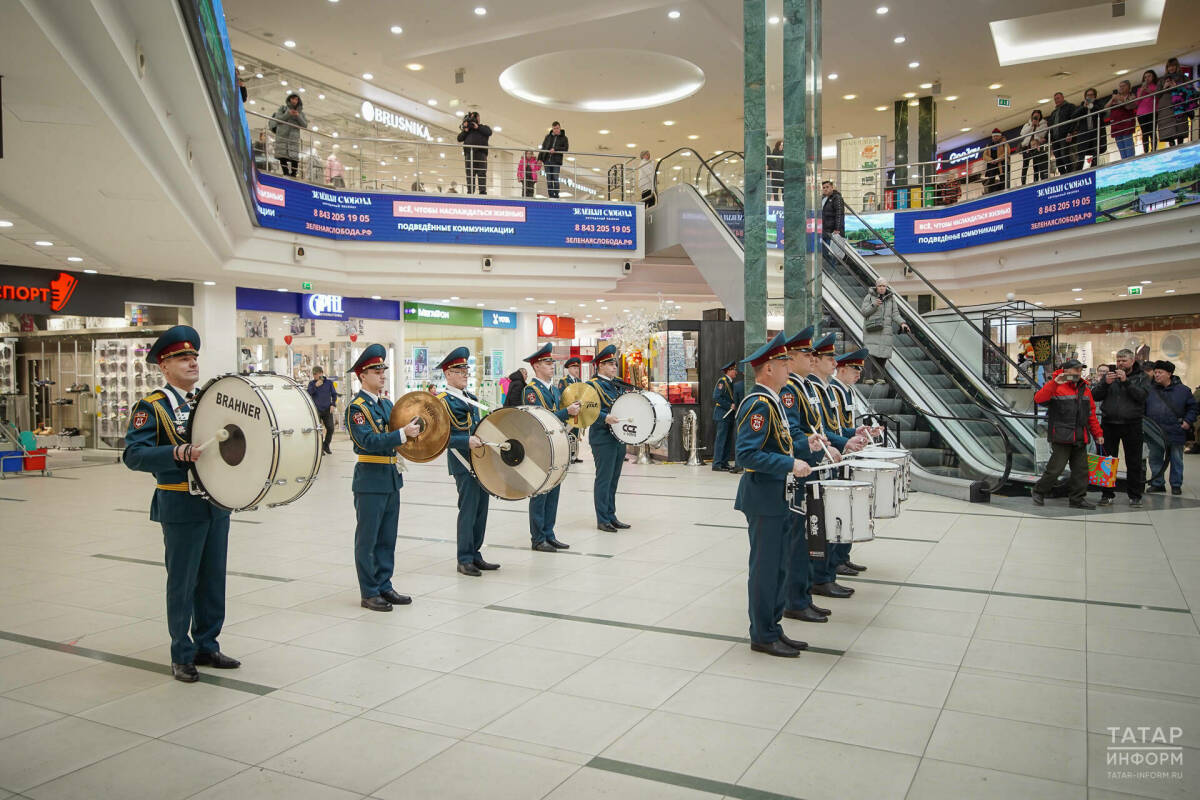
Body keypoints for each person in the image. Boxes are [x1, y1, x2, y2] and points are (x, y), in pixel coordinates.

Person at [122, 325, 239, 683]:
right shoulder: (153, 407)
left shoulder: (209, 402)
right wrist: (175, 452)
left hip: (215, 503)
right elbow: (133, 454)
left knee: (212, 579)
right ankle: (181, 652)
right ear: (164, 366)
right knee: (183, 581)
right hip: (180, 503)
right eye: (182, 358)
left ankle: (207, 644)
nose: (191, 362)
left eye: (193, 357)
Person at [734, 332, 814, 658]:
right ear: (768, 368)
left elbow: (781, 442)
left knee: (779, 566)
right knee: (766, 569)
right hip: (764, 498)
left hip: (778, 496)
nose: (788, 368)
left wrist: (807, 449)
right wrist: (789, 463)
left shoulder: (775, 402)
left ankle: (773, 626)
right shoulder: (758, 404)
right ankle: (762, 634)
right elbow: (746, 455)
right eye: (783, 363)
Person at [345, 345, 419, 611]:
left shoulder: (387, 404)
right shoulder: (357, 408)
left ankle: (384, 585)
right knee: (368, 539)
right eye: (377, 370)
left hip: (390, 477)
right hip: (370, 480)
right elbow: (367, 441)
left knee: (388, 537)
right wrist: (401, 434)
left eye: (383, 370)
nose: (382, 374)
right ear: (362, 375)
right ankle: (369, 591)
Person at [778, 328, 834, 623]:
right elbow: (793, 433)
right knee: (798, 539)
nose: (813, 359)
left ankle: (804, 594)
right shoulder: (789, 390)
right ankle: (795, 599)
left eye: (814, 354)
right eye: (807, 354)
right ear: (791, 357)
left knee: (811, 535)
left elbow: (817, 428)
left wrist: (828, 445)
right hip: (801, 469)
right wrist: (815, 447)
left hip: (813, 465)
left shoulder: (806, 387)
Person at [809, 336, 871, 581]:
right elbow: (816, 429)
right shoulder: (817, 388)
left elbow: (833, 425)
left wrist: (852, 434)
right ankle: (827, 569)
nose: (834, 362)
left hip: (835, 455)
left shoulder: (830, 389)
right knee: (825, 520)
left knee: (837, 513)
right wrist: (843, 441)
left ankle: (836, 562)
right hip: (821, 460)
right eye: (830, 358)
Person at [437, 347, 498, 575]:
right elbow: (437, 438)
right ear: (447, 374)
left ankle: (475, 553)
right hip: (462, 462)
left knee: (482, 509)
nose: (465, 373)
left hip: (481, 461)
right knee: (469, 509)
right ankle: (464, 558)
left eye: (466, 368)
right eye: (459, 369)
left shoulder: (471, 398)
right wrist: (465, 441)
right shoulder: (442, 402)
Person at [523, 344, 581, 552]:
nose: (551, 367)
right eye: (547, 363)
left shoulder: (554, 389)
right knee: (540, 492)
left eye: (552, 363)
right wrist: (567, 412)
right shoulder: (531, 390)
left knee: (554, 490)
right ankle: (538, 538)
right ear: (536, 366)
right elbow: (542, 418)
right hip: (540, 447)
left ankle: (549, 533)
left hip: (556, 445)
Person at [1031, 359, 1104, 509]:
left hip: (1080, 435)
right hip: (1061, 435)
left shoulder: (1085, 388)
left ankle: (1077, 499)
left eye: (1080, 370)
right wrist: (1055, 382)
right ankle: (1039, 490)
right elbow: (1039, 399)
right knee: (1055, 469)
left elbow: (1090, 414)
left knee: (1081, 470)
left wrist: (1098, 433)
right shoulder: (1055, 385)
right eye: (1075, 370)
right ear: (1066, 370)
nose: (1078, 372)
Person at [1091, 349, 1149, 507]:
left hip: (1132, 424)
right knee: (1106, 461)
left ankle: (1135, 496)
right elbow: (1094, 396)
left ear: (1132, 360)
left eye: (1123, 360)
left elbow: (1142, 397)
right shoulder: (1109, 376)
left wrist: (1126, 382)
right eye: (1118, 360)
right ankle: (1106, 494)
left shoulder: (1142, 377)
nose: (1120, 363)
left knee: (1134, 461)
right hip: (1109, 423)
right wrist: (1105, 383)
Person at [589, 345, 630, 532]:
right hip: (603, 436)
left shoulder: (617, 383)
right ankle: (602, 519)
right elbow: (586, 410)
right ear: (600, 366)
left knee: (614, 479)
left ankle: (611, 515)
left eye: (615, 363)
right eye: (610, 364)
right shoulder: (592, 385)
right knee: (604, 479)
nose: (614, 367)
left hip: (618, 436)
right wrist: (604, 417)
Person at [1145, 360, 1197, 496]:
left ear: (1169, 373)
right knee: (1155, 458)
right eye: (1155, 372)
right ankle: (1157, 483)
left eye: (1160, 372)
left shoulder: (1183, 390)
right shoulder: (1150, 390)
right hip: (1154, 431)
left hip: (1176, 430)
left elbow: (1193, 407)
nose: (1156, 375)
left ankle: (1176, 484)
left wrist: (1188, 421)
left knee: (1176, 459)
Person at [859, 277, 907, 382]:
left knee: (883, 353)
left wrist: (902, 323)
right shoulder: (869, 297)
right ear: (876, 286)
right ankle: (868, 377)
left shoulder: (891, 299)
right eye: (880, 286)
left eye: (884, 286)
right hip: (872, 329)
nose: (882, 288)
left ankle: (879, 376)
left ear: (886, 287)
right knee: (870, 353)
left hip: (885, 330)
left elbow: (895, 314)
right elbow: (864, 312)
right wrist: (874, 304)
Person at [711, 360, 740, 472]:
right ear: (729, 370)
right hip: (722, 415)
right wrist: (730, 405)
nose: (736, 372)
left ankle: (724, 462)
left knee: (727, 440)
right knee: (721, 440)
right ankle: (717, 463)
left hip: (729, 416)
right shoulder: (722, 381)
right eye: (734, 370)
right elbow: (716, 397)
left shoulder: (731, 382)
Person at [269, 92, 307, 177]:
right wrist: (288, 113)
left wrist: (298, 116)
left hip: (293, 137)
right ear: (289, 99)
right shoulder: (282, 109)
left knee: (294, 158)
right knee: (282, 155)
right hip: (282, 135)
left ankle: (293, 174)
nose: (294, 101)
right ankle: (285, 173)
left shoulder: (301, 113)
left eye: (296, 99)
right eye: (293, 98)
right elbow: (279, 119)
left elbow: (305, 125)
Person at [1074, 88, 1110, 169]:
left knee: (1093, 158)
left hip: (1095, 136)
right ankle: (1086, 171)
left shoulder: (1098, 104)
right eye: (1088, 95)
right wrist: (1084, 107)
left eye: (1091, 95)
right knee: (1084, 159)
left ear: (1095, 96)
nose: (1089, 97)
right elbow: (1073, 116)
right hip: (1085, 137)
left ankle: (1093, 170)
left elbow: (1103, 113)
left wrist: (1092, 106)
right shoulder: (1082, 106)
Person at [558, 356, 585, 465]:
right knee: (568, 433)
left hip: (578, 411)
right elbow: (562, 396)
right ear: (568, 369)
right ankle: (568, 455)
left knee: (576, 433)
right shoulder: (564, 381)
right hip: (569, 411)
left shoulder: (579, 380)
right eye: (574, 368)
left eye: (577, 368)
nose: (576, 370)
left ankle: (574, 455)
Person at [457, 111, 492, 194]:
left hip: (481, 154)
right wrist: (465, 130)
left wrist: (478, 127)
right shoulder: (467, 130)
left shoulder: (483, 128)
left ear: (478, 118)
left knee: (482, 174)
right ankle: (470, 192)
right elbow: (459, 138)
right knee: (470, 174)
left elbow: (489, 132)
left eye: (474, 117)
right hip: (469, 154)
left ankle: (482, 192)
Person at [307, 366, 339, 456]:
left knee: (331, 428)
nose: (315, 376)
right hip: (316, 410)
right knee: (318, 430)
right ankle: (320, 448)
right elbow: (308, 393)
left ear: (321, 373)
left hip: (327, 409)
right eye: (313, 374)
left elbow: (334, 394)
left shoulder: (329, 383)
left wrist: (333, 404)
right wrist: (315, 386)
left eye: (316, 374)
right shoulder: (311, 383)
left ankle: (326, 445)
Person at [1046, 92, 1079, 174]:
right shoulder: (1054, 113)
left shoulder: (1070, 107)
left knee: (1065, 156)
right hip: (1056, 139)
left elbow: (1074, 120)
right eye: (1055, 99)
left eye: (1058, 98)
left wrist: (1070, 132)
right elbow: (1050, 126)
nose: (1056, 100)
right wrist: (1047, 137)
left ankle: (1070, 173)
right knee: (1058, 158)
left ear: (1063, 98)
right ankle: (1063, 174)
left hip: (1065, 136)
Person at [1106, 81, 1139, 160]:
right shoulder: (1115, 97)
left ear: (1129, 87)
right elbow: (1106, 107)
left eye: (1123, 86)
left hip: (1126, 123)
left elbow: (1129, 106)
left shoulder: (1131, 96)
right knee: (1120, 146)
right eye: (1120, 86)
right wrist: (1113, 99)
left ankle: (1131, 160)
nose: (1121, 88)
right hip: (1116, 125)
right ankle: (1124, 160)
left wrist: (1121, 99)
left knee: (1128, 144)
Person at [539, 121, 569, 199]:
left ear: (560, 128)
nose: (556, 130)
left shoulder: (564, 138)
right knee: (549, 178)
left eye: (557, 128)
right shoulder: (548, 137)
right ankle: (551, 195)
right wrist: (540, 159)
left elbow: (566, 148)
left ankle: (556, 194)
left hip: (556, 161)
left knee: (555, 178)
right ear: (552, 129)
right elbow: (543, 148)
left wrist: (555, 149)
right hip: (547, 160)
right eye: (554, 128)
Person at [1019, 109, 1049, 184]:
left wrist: (1037, 125)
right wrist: (1032, 125)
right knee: (1025, 165)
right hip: (1027, 147)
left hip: (1036, 146)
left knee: (1036, 165)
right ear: (1032, 116)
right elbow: (1022, 134)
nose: (1035, 117)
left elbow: (1043, 134)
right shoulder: (1027, 124)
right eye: (1034, 116)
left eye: (1037, 116)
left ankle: (1036, 180)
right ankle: (1023, 182)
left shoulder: (1043, 124)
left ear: (1040, 116)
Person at [1135, 71, 1159, 154]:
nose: (1147, 78)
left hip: (1152, 111)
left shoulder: (1155, 87)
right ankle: (1145, 150)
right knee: (1144, 133)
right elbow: (1137, 102)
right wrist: (1142, 90)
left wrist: (1149, 91)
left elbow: (1158, 96)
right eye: (1145, 77)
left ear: (1153, 77)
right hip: (1141, 113)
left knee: (1152, 131)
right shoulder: (1140, 89)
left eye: (1149, 76)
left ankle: (1153, 149)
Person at [982, 128, 1010, 193]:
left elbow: (1007, 152)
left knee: (1003, 178)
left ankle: (1004, 191)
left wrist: (998, 159)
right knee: (991, 180)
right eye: (994, 136)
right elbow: (984, 156)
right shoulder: (989, 145)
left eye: (997, 136)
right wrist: (991, 160)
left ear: (1000, 136)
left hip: (1001, 163)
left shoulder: (1004, 143)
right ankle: (991, 193)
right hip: (992, 164)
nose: (995, 137)